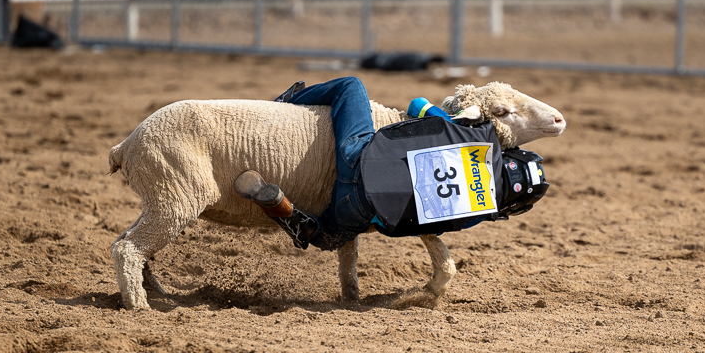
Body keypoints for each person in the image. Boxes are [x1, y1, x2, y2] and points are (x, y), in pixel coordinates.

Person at [234, 77, 548, 250]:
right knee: (328, 238)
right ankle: (288, 213)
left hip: (360, 157)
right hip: (363, 209)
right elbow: (421, 225)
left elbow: (418, 106)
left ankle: (285, 104)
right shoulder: (480, 213)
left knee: (351, 86)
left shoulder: (477, 135)